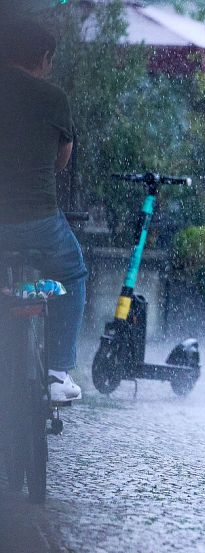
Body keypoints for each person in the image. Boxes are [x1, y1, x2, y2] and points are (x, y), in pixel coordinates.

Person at [0, 18, 86, 402]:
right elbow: (60, 162)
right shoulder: (53, 98)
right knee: (73, 272)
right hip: (39, 221)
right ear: (43, 57)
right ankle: (56, 373)